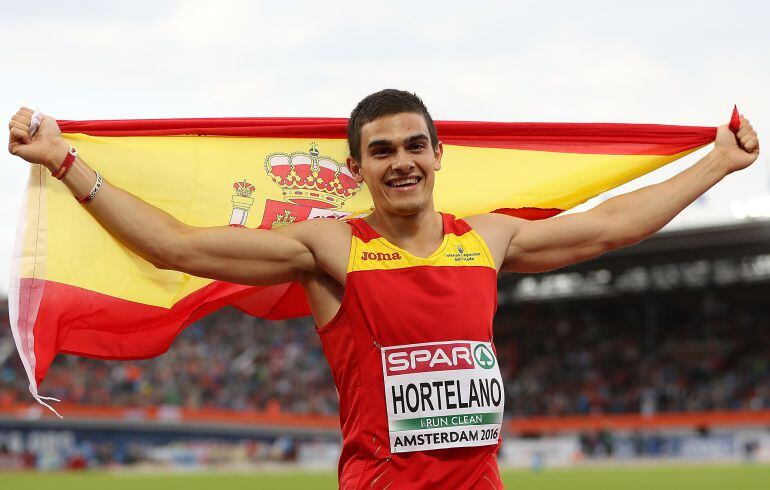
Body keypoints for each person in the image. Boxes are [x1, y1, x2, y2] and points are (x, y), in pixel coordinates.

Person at [7, 89, 760, 489]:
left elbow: (610, 227)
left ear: (438, 155)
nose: (399, 161)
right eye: (380, 151)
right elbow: (177, 245)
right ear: (357, 169)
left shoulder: (486, 238)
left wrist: (717, 162)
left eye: (412, 146)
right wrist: (68, 162)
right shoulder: (331, 246)